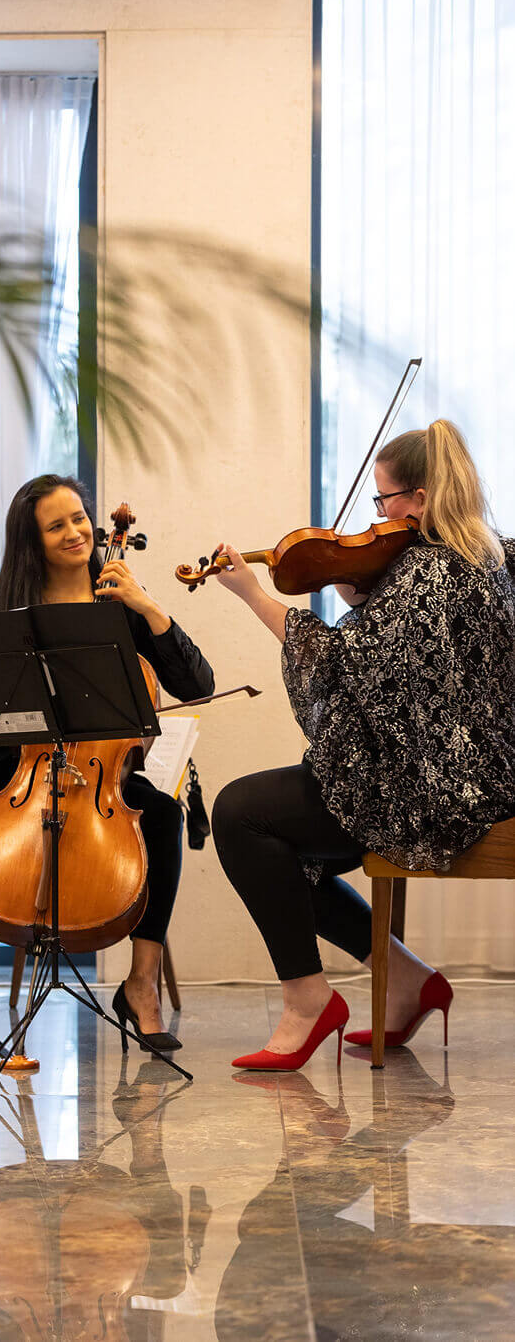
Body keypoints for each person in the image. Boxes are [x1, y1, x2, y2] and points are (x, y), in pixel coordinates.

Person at [211, 420, 515, 1070]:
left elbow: (340, 664)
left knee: (242, 815)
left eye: (383, 500)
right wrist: (359, 592)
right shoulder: (489, 557)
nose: (376, 517)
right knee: (278, 831)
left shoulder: (426, 572)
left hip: (431, 792)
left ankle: (307, 1001)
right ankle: (406, 980)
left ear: (423, 499)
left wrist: (251, 594)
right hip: (482, 777)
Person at [0, 474, 213, 1058]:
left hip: (102, 771)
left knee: (159, 817)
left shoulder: (122, 605)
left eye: (79, 518)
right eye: (56, 524)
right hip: (16, 765)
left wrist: (145, 604)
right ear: (32, 540)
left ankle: (141, 985)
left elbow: (197, 683)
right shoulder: (2, 607)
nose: (76, 532)